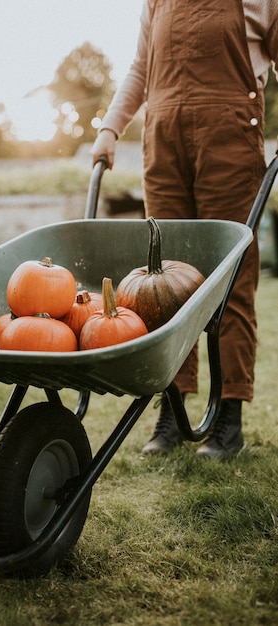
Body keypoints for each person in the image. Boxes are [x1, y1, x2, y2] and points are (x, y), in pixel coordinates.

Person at [91, 0, 278, 460]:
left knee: (230, 278)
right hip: (164, 145)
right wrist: (110, 128)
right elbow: (141, 68)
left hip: (230, 141)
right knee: (162, 282)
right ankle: (172, 412)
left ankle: (228, 418)